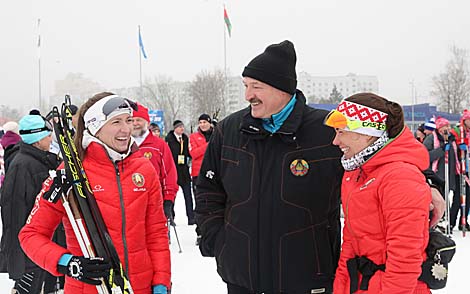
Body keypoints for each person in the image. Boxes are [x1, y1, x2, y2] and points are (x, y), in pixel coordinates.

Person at [194, 40, 344, 294]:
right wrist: (217, 240)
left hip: (307, 277)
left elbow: (382, 156)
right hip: (242, 278)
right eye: (245, 86)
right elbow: (209, 188)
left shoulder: (327, 129)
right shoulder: (229, 130)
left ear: (281, 89)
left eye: (256, 86)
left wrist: (426, 182)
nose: (247, 95)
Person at [19, 92, 171, 294]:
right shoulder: (68, 173)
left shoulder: (144, 169)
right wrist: (67, 262)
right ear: (94, 127)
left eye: (128, 120)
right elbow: (31, 235)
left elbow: (157, 234)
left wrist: (161, 284)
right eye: (115, 122)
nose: (126, 129)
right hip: (89, 288)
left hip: (139, 287)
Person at [324, 93, 431, 293]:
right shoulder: (356, 172)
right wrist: (341, 287)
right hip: (361, 285)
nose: (335, 141)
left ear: (366, 133)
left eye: (341, 132)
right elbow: (350, 242)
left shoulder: (400, 176)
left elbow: (405, 257)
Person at [0, 114, 60, 294]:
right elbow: (14, 214)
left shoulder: (38, 161)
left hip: (43, 247)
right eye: (48, 135)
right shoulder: (23, 166)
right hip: (30, 254)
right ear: (38, 138)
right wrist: (20, 258)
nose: (51, 139)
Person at [132, 102, 179, 222]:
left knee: (158, 238)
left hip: (155, 201)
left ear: (147, 123)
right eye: (132, 120)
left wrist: (168, 199)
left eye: (139, 120)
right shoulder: (123, 145)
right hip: (131, 204)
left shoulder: (159, 145)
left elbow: (169, 172)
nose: (135, 123)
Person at [423, 117, 460, 233]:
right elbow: (425, 156)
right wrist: (441, 150)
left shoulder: (451, 140)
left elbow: (456, 157)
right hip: (436, 175)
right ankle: (438, 221)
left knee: (448, 197)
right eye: (445, 126)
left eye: (449, 126)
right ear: (439, 128)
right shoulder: (431, 139)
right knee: (439, 198)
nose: (448, 129)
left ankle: (448, 221)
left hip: (450, 174)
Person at [189, 113, 214, 244]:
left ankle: (213, 230)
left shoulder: (217, 135)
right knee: (199, 203)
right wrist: (209, 145)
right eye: (200, 122)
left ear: (210, 123)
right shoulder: (193, 137)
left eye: (205, 122)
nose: (203, 125)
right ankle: (199, 232)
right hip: (198, 174)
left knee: (214, 202)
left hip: (214, 173)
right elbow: (194, 153)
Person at [166, 120, 194, 225]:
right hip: (173, 171)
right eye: (179, 127)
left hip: (184, 171)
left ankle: (191, 217)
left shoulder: (185, 138)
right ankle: (171, 217)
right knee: (172, 196)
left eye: (183, 127)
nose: (182, 129)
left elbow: (188, 152)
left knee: (188, 195)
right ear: (175, 128)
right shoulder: (169, 139)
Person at [449, 109, 470, 230]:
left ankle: (464, 221)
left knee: (468, 196)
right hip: (458, 169)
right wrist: (458, 147)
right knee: (458, 197)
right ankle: (452, 222)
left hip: (467, 168)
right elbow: (451, 147)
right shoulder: (457, 132)